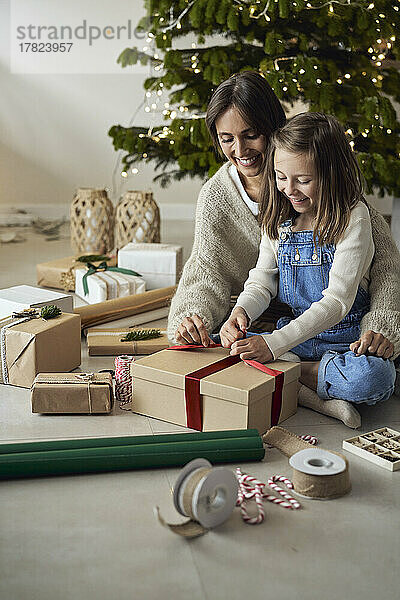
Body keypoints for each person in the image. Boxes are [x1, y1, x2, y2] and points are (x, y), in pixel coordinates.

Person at [167, 72, 400, 426]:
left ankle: (292, 378)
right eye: (227, 138)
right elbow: (232, 275)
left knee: (376, 376)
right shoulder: (273, 206)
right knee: (218, 346)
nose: (240, 151)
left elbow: (364, 284)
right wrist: (233, 315)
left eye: (251, 135)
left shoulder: (346, 209)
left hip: (340, 335)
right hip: (290, 331)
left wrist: (274, 347)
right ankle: (315, 389)